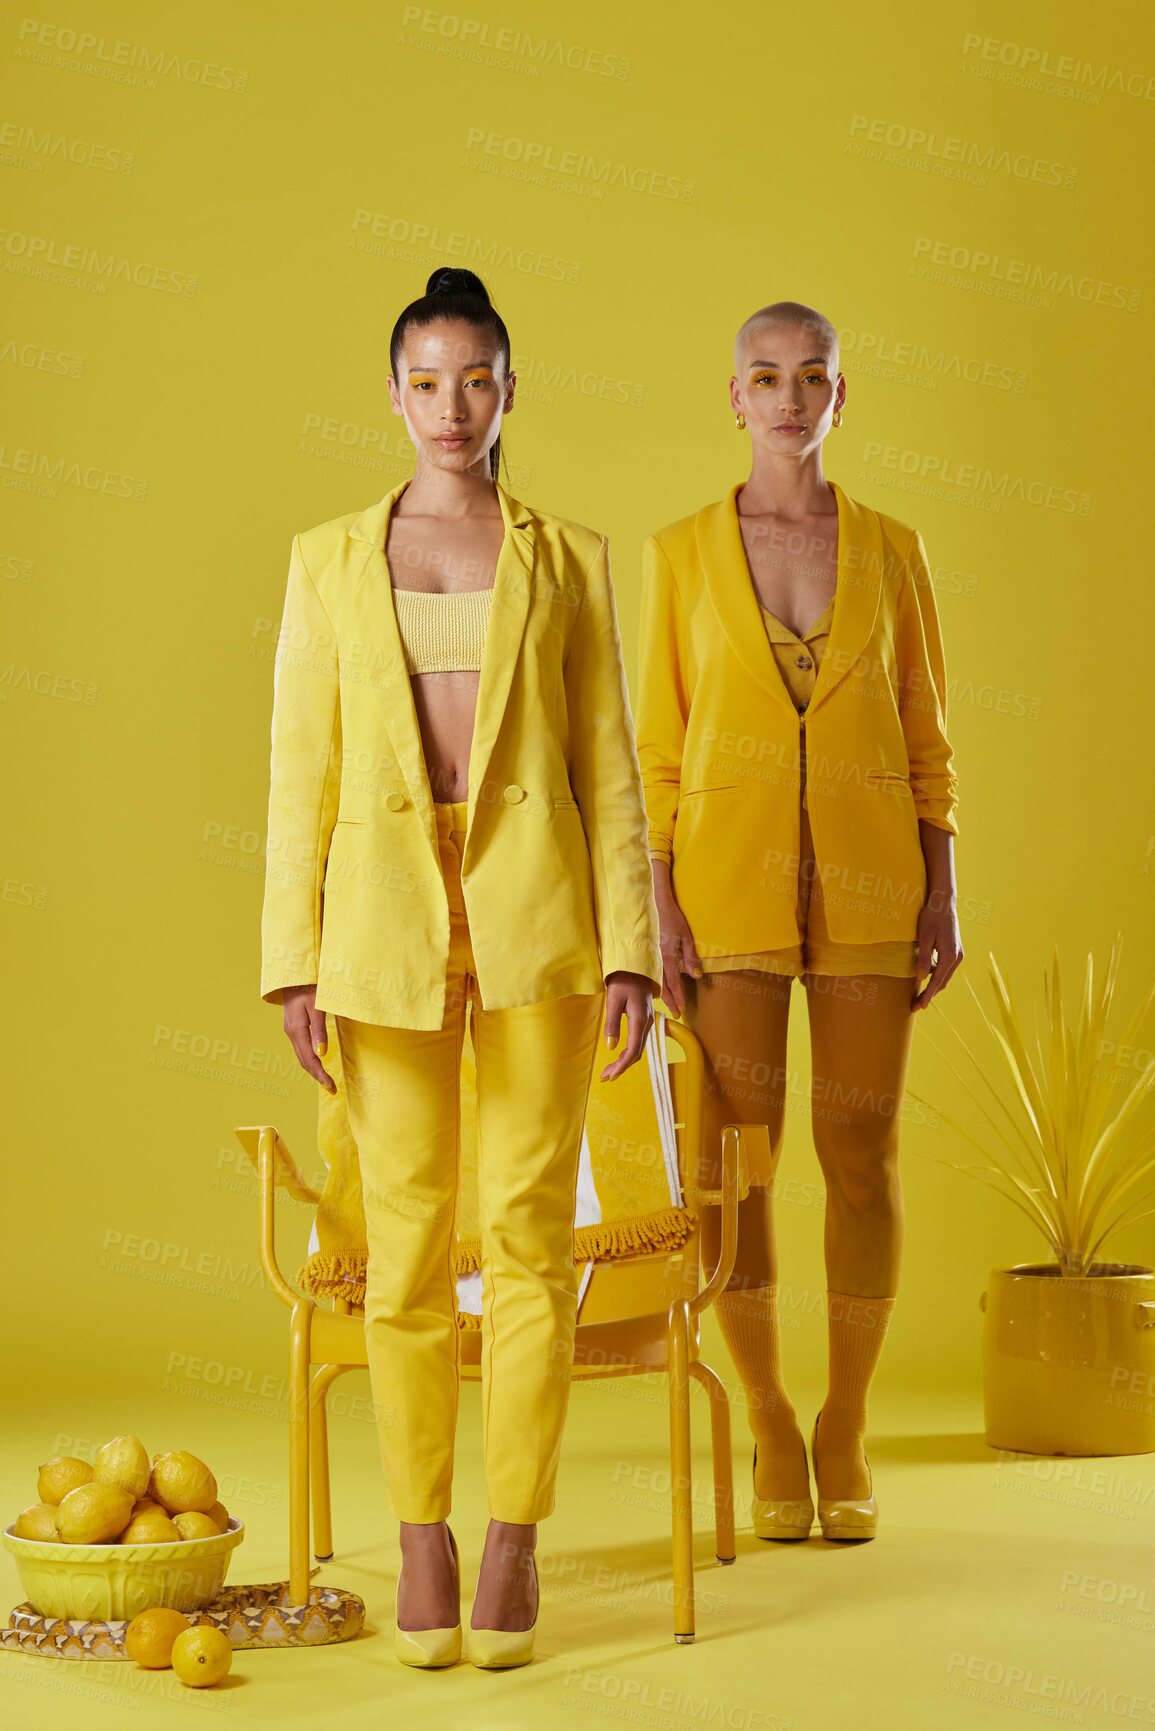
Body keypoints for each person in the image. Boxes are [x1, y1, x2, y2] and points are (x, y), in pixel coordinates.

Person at [260, 267, 661, 1666]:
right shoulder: (324, 558)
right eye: (425, 380)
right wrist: (291, 961)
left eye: (475, 378)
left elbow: (607, 763)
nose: (451, 405)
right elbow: (296, 772)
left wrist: (632, 951)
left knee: (534, 1240)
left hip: (539, 925)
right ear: (391, 393)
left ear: (509, 388)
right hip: (381, 930)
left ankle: (514, 1533)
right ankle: (421, 1529)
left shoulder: (569, 556)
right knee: (409, 1244)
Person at [634, 300, 962, 1544]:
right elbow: (656, 756)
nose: (786, 396)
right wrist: (658, 905)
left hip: (878, 890)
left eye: (810, 375)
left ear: (840, 396)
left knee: (863, 1161)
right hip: (727, 895)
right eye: (763, 376)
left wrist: (943, 887)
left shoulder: (895, 550)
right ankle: (771, 1417)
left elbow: (930, 739)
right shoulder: (676, 556)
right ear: (733, 398)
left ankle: (846, 1426)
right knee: (738, 1172)